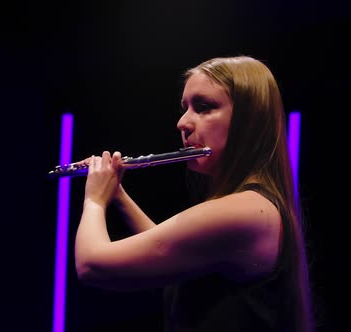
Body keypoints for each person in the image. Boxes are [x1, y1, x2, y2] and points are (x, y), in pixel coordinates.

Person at [74, 55, 314, 332]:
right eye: (185, 108)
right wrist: (117, 194)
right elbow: (167, 247)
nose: (182, 123)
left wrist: (94, 199)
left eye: (203, 107)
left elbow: (92, 265)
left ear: (248, 121)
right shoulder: (252, 208)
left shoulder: (247, 211)